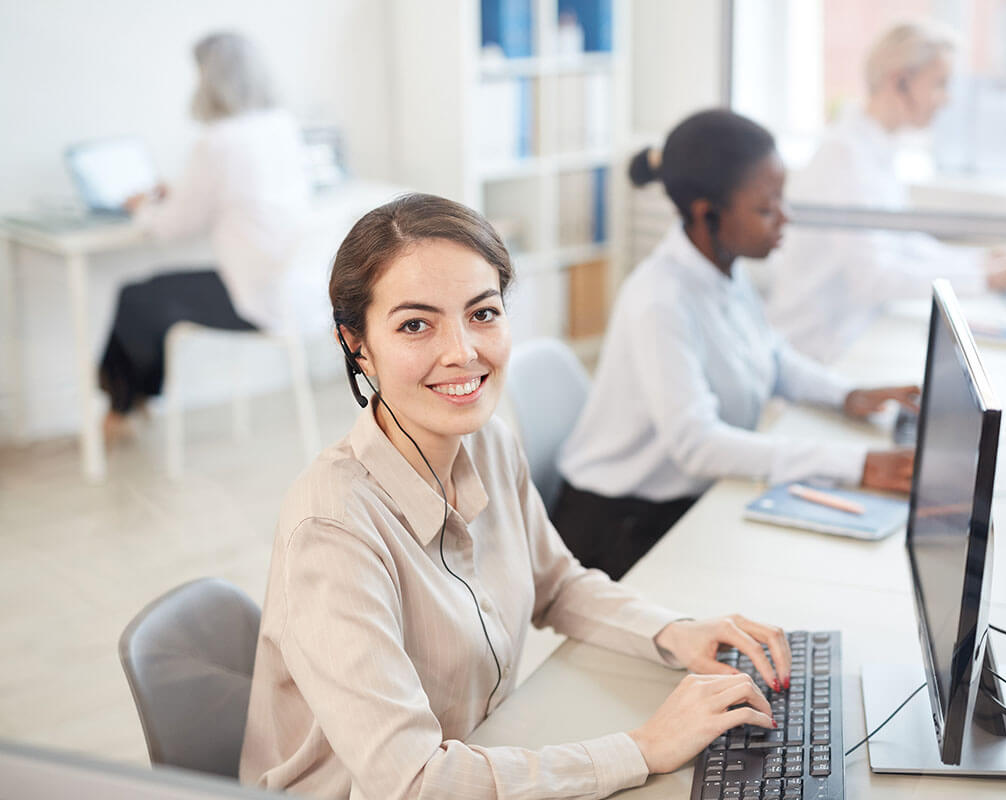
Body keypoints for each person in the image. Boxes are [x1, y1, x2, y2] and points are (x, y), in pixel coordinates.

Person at [240, 193, 794, 799]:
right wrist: (643, 747)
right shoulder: (333, 530)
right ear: (358, 344)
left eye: (482, 313)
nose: (463, 351)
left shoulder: (488, 444)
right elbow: (414, 781)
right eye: (416, 325)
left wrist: (675, 633)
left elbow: (558, 584)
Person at [553, 109, 917, 580]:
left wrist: (849, 394)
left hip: (686, 498)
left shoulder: (724, 268)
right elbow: (699, 445)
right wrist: (857, 464)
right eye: (767, 209)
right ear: (708, 215)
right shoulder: (660, 299)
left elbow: (771, 357)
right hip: (620, 524)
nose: (784, 218)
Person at [763, 20, 1006, 362]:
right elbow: (873, 279)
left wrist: (983, 261)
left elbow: (901, 245)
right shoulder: (846, 158)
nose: (947, 99)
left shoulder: (874, 144)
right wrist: (987, 276)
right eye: (940, 84)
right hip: (822, 347)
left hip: (855, 331)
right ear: (900, 81)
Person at [99, 31, 312, 441]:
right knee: (151, 296)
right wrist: (176, 193)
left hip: (251, 298)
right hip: (292, 288)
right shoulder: (280, 125)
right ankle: (131, 405)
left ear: (210, 79)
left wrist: (141, 208)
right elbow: (234, 192)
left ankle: (121, 411)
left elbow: (172, 227)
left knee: (137, 296)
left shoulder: (218, 141)